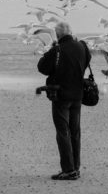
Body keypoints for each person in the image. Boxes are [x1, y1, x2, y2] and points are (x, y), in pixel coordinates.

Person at [37, 22, 91, 180]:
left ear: (58, 34)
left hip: (61, 96)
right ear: (71, 32)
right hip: (78, 95)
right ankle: (76, 167)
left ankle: (68, 170)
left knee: (63, 132)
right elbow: (86, 61)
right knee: (75, 132)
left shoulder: (58, 49)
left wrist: (49, 52)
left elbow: (42, 68)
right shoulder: (82, 46)